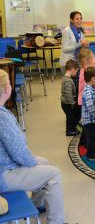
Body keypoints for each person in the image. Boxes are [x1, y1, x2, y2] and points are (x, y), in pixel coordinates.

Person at [0, 69, 64, 224]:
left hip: (4, 165)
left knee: (44, 161)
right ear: (5, 89)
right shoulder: (2, 117)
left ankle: (37, 204)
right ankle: (57, 221)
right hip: (4, 174)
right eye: (9, 82)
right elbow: (18, 152)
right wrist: (32, 161)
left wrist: (34, 161)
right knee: (54, 174)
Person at [82, 67, 95, 160]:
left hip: (93, 120)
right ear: (93, 79)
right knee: (92, 137)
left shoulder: (91, 89)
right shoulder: (88, 92)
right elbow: (91, 108)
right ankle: (90, 154)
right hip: (90, 121)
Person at [60, 59, 79, 136]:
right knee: (70, 117)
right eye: (76, 71)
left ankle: (72, 128)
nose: (76, 73)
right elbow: (68, 94)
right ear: (72, 70)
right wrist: (72, 103)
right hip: (67, 103)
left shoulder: (65, 78)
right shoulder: (68, 81)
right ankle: (69, 131)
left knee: (70, 116)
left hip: (65, 102)